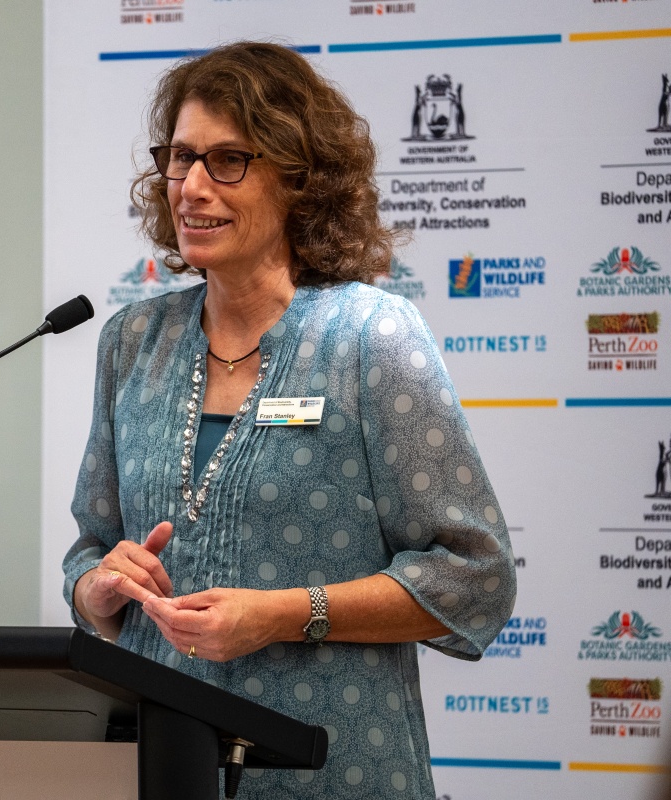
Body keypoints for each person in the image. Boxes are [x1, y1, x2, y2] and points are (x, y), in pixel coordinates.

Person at [62, 42, 517, 799]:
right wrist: (98, 591)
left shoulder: (370, 336)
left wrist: (283, 614)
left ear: (299, 180)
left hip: (334, 770)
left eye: (228, 161)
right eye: (181, 158)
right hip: (163, 768)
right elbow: (89, 551)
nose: (192, 187)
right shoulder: (134, 342)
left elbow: (474, 577)